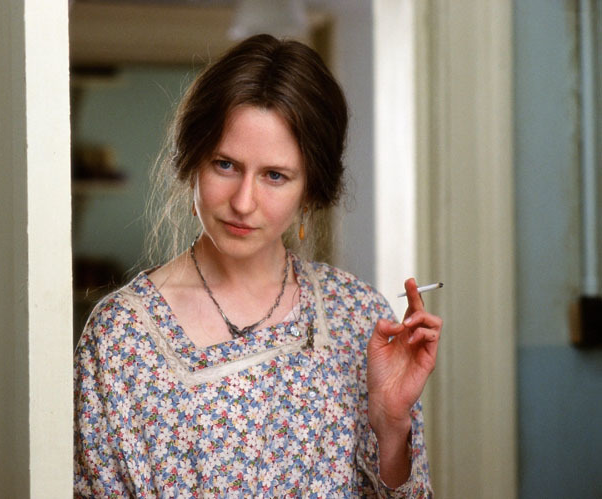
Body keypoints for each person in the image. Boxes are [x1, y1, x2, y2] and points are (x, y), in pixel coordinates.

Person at [74, 34, 441, 498]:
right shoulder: (121, 337)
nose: (243, 202)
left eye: (275, 176)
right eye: (225, 165)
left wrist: (390, 425)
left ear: (310, 191)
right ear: (192, 162)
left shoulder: (358, 316)